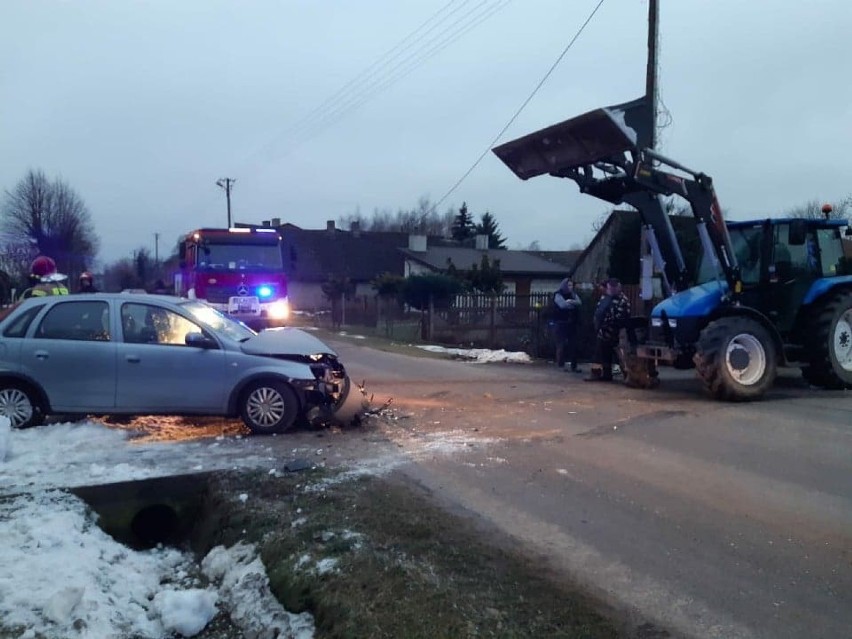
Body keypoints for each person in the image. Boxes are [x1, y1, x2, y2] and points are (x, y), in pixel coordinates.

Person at [586, 277, 630, 382]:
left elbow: (623, 316)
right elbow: (599, 312)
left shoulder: (623, 300)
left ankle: (629, 376)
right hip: (603, 331)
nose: (612, 290)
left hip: (617, 332)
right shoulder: (605, 298)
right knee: (601, 353)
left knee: (621, 355)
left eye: (614, 288)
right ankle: (603, 374)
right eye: (610, 288)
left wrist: (612, 325)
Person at [551, 278, 582, 372]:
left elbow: (579, 303)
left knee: (574, 345)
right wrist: (572, 304)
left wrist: (570, 302)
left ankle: (574, 365)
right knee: (561, 345)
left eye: (571, 285)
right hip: (561, 323)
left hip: (572, 323)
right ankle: (561, 365)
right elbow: (563, 305)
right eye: (569, 285)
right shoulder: (558, 294)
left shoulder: (573, 294)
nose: (570, 287)